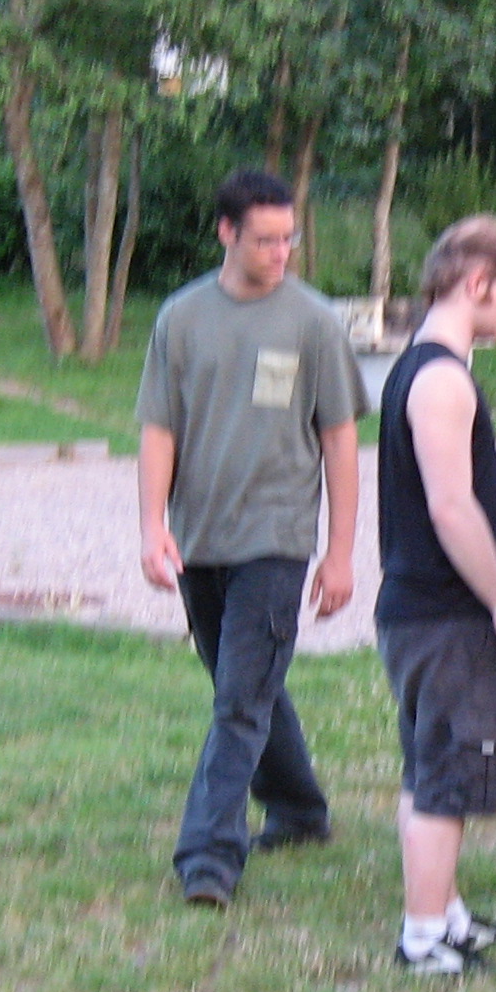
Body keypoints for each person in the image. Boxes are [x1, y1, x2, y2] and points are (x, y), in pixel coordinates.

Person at [137, 168, 367, 909]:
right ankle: (298, 809)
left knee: (240, 698)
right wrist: (151, 526)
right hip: (200, 536)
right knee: (245, 684)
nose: (281, 252)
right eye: (265, 239)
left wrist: (339, 552)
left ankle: (208, 855)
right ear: (226, 233)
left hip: (276, 536)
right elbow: (158, 429)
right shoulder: (181, 318)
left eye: (288, 238)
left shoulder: (314, 321)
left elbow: (340, 440)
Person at [375, 215, 496, 973]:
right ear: (475, 283)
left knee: (430, 769)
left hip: (418, 613)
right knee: (447, 778)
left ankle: (447, 916)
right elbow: (451, 506)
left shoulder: (416, 366)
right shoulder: (442, 380)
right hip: (445, 616)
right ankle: (422, 938)